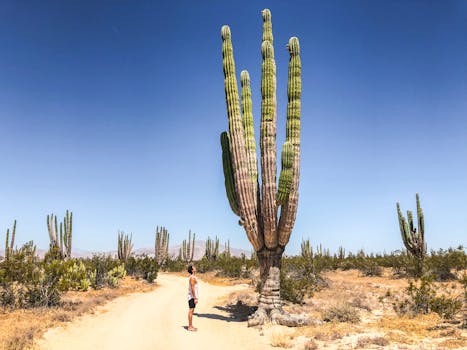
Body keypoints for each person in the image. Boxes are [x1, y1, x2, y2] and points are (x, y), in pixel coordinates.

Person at [187, 265, 198, 331]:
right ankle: (190, 327)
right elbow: (192, 288)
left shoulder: (193, 277)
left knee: (192, 310)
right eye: (194, 267)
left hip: (192, 296)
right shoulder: (192, 278)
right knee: (191, 311)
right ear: (192, 270)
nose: (195, 268)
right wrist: (195, 298)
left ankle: (191, 326)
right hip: (191, 297)